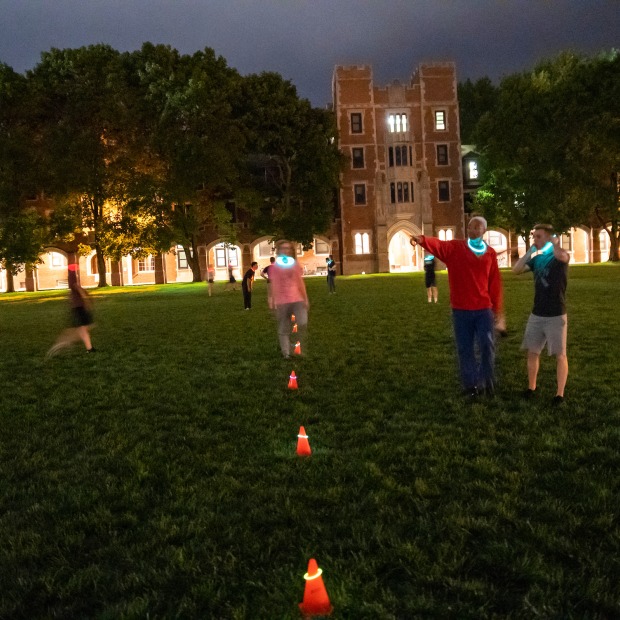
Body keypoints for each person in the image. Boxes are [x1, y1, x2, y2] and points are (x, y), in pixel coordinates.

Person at [410, 216, 505, 397]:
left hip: (483, 309)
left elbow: (495, 284)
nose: (474, 230)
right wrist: (421, 239)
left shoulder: (490, 253)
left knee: (487, 346)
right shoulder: (456, 248)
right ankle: (471, 385)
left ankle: (486, 381)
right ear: (467, 230)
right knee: (465, 348)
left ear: (484, 230)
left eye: (478, 227)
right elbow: (438, 245)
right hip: (461, 310)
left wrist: (497, 310)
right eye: (471, 227)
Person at [512, 224, 570, 406]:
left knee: (560, 354)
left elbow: (562, 255)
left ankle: (559, 394)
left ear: (548, 237)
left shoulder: (558, 256)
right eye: (534, 236)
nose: (535, 239)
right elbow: (516, 269)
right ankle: (531, 387)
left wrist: (554, 243)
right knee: (532, 352)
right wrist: (530, 250)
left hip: (555, 314)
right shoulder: (537, 259)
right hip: (537, 314)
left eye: (538, 236)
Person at [269, 240, 309, 358]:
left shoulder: (295, 265)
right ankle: (286, 353)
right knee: (283, 327)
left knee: (302, 322)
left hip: (297, 299)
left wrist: (305, 298)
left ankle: (297, 348)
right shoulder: (275, 267)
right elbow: (273, 284)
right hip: (282, 301)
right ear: (279, 251)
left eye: (288, 248)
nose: (286, 250)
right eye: (283, 248)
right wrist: (272, 298)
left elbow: (300, 282)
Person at [46, 263, 96, 357]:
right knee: (84, 329)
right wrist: (86, 300)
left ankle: (89, 348)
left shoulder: (72, 278)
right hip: (79, 308)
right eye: (75, 267)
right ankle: (62, 344)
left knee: (83, 329)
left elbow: (76, 289)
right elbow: (77, 288)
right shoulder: (72, 277)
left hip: (77, 307)